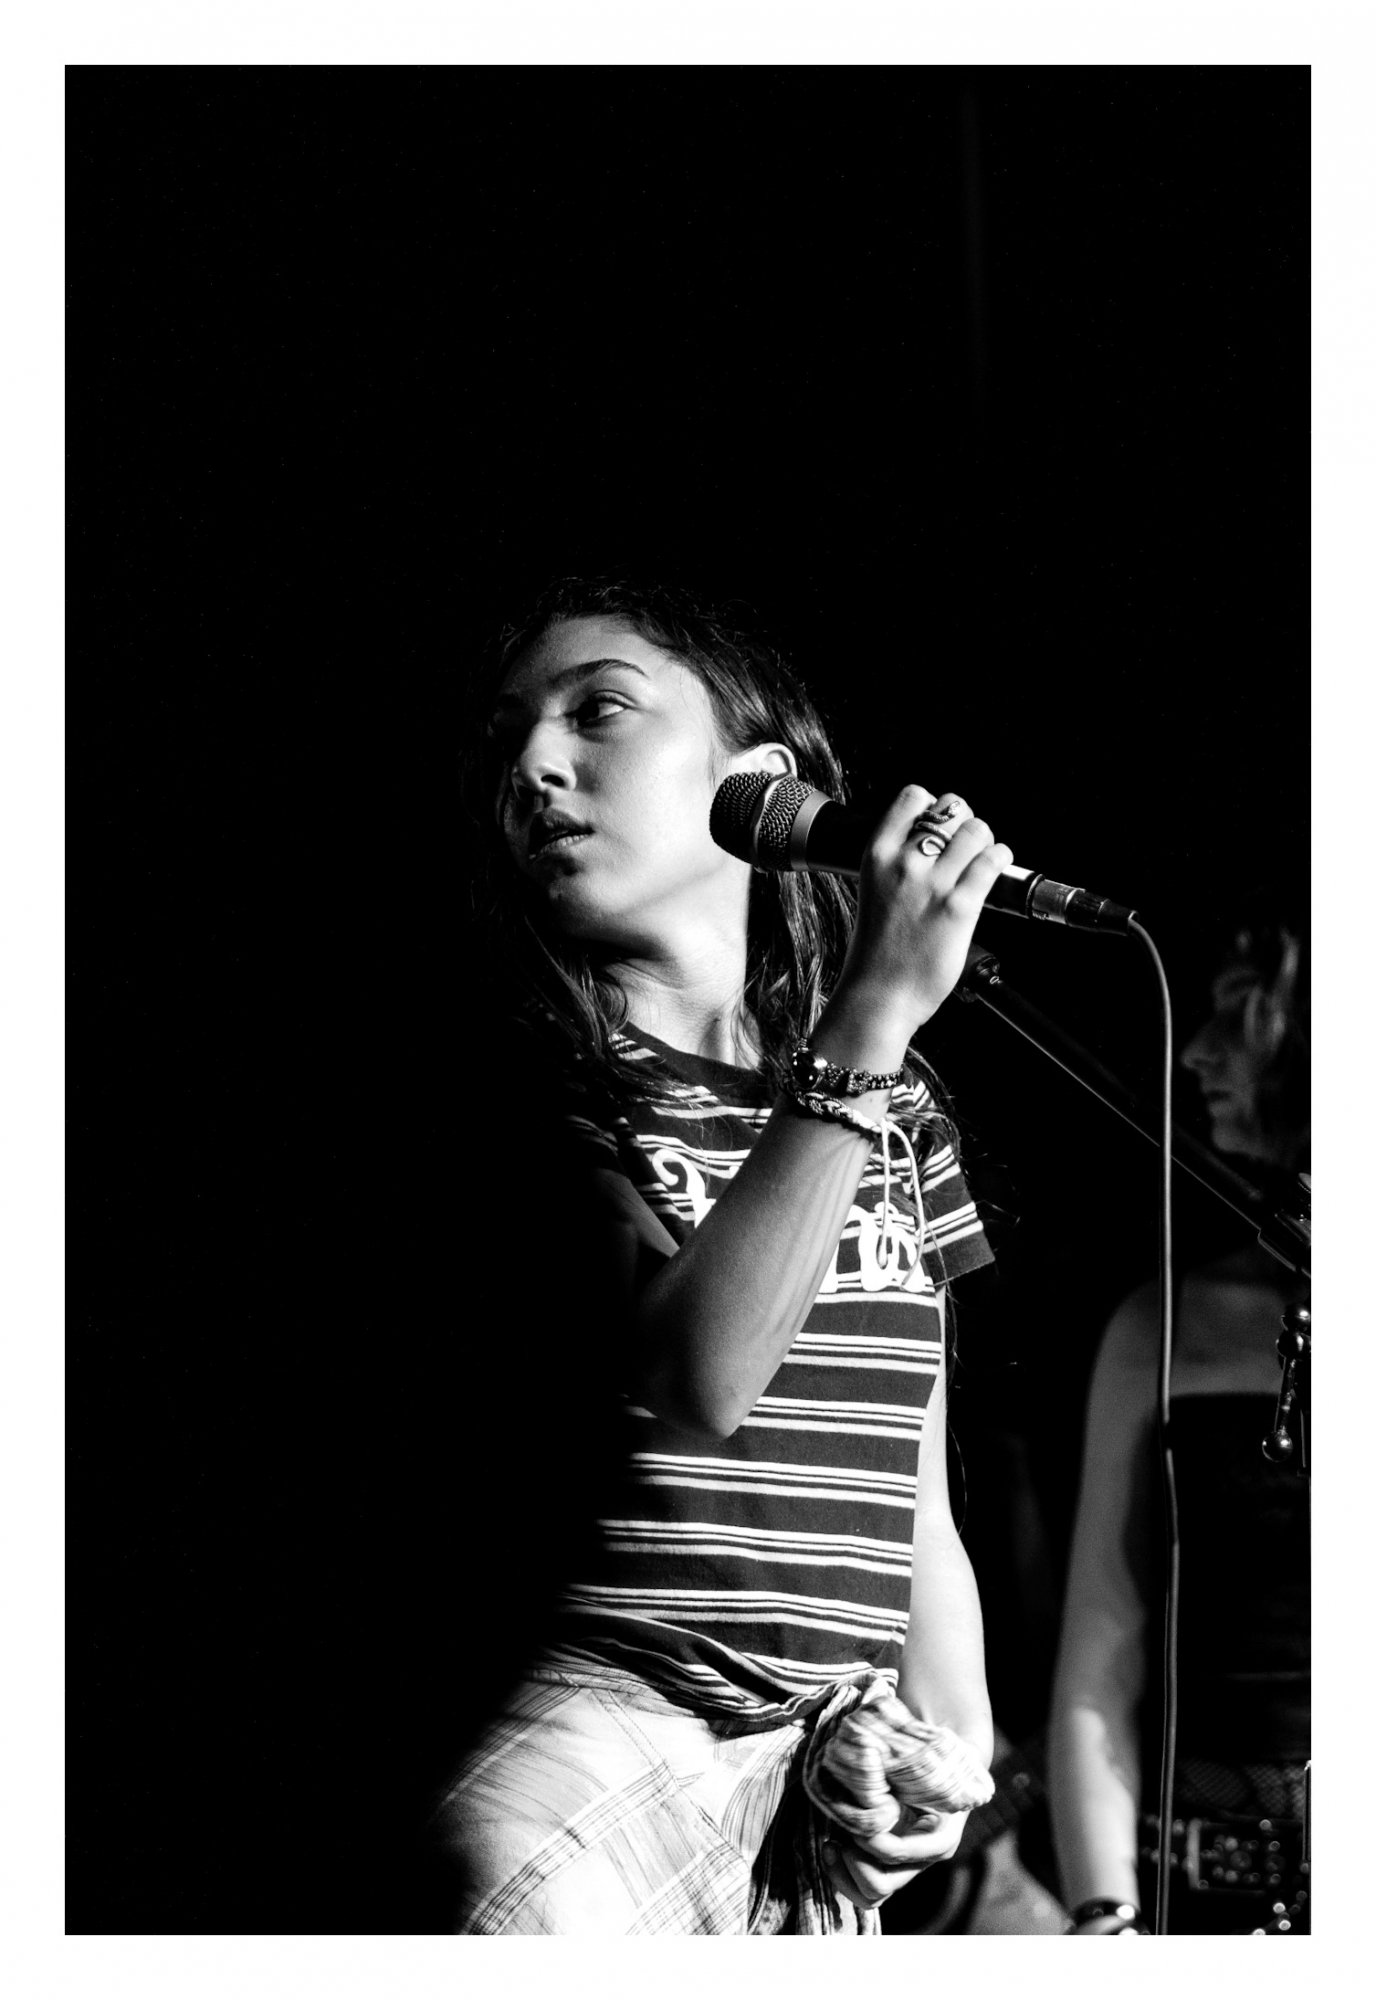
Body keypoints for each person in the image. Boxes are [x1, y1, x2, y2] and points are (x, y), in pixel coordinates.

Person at [436, 576, 1010, 1934]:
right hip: (601, 1749)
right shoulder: (538, 1077)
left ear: (758, 781)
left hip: (811, 1780)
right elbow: (702, 1373)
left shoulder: (898, 1108)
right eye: (508, 735)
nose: (534, 764)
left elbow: (912, 1488)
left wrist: (957, 1751)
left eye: (599, 711)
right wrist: (868, 1024)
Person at [1048, 884, 1310, 1936]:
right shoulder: (1161, 1319)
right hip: (1196, 1894)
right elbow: (1096, 1665)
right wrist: (1103, 1914)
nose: (1195, 1050)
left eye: (1243, 1009)